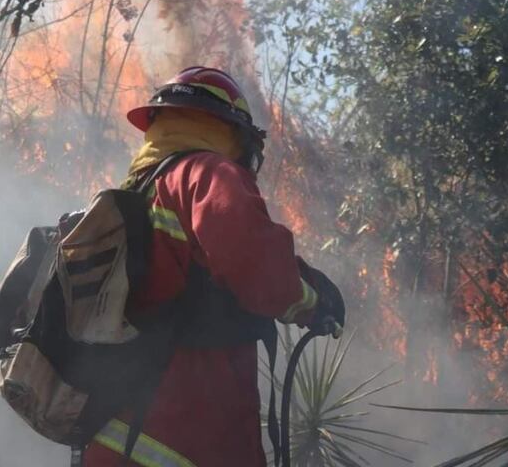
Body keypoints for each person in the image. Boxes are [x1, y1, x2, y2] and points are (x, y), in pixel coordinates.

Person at [82, 66, 345, 467]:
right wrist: (313, 301)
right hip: (185, 436)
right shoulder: (206, 172)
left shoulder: (140, 191)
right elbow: (258, 267)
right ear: (231, 131)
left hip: (112, 437)